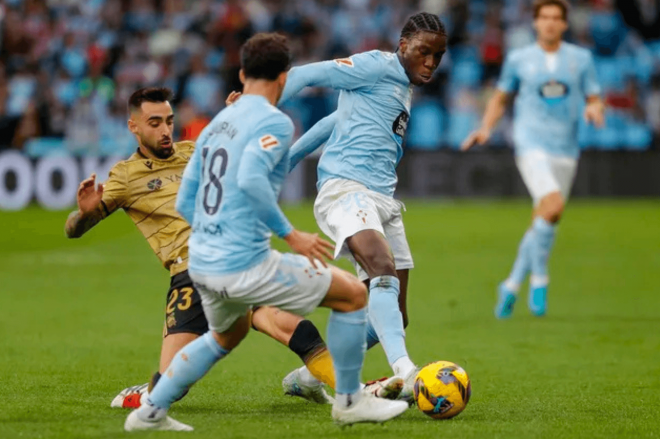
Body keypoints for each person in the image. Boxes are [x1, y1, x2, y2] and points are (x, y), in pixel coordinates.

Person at [124, 33, 409, 432]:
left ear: (242, 74)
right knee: (353, 294)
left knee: (227, 335)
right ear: (282, 77)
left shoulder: (216, 123)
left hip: (201, 262)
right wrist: (291, 234)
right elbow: (252, 178)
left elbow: (188, 195)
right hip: (243, 263)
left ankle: (150, 411)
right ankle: (349, 401)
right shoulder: (275, 121)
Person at [63, 86, 368, 409]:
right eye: (154, 123)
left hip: (235, 256)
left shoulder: (194, 151)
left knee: (294, 328)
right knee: (170, 386)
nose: (165, 130)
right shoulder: (126, 176)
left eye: (168, 121)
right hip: (189, 274)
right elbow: (73, 231)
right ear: (133, 126)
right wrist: (85, 214)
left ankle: (357, 395)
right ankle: (146, 398)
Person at [258, 12, 447, 401]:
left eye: (438, 56)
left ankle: (312, 375)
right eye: (423, 52)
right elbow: (308, 75)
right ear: (403, 46)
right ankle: (408, 373)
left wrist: (290, 159)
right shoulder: (375, 65)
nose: (430, 62)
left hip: (383, 200)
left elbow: (336, 120)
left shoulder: (401, 87)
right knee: (379, 266)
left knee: (393, 316)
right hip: (345, 189)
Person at [461, 0, 604, 318]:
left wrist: (595, 108)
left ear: (565, 24)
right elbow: (500, 97)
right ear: (535, 23)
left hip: (566, 148)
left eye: (556, 18)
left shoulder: (581, 59)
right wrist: (485, 128)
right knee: (552, 206)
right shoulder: (520, 59)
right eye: (545, 18)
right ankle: (540, 279)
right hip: (530, 143)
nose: (550, 23)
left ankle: (511, 284)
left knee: (545, 219)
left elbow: (594, 96)